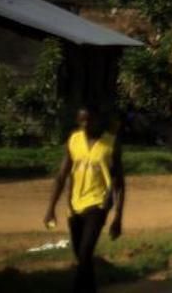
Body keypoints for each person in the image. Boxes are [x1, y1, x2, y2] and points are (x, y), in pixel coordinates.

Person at [44, 107, 125, 292]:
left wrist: (118, 217)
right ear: (78, 121)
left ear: (98, 121)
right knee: (82, 258)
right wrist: (50, 209)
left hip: (98, 204)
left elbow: (119, 183)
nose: (86, 124)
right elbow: (61, 176)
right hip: (73, 205)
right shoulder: (74, 140)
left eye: (89, 120)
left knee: (85, 251)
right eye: (82, 121)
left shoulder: (111, 143)